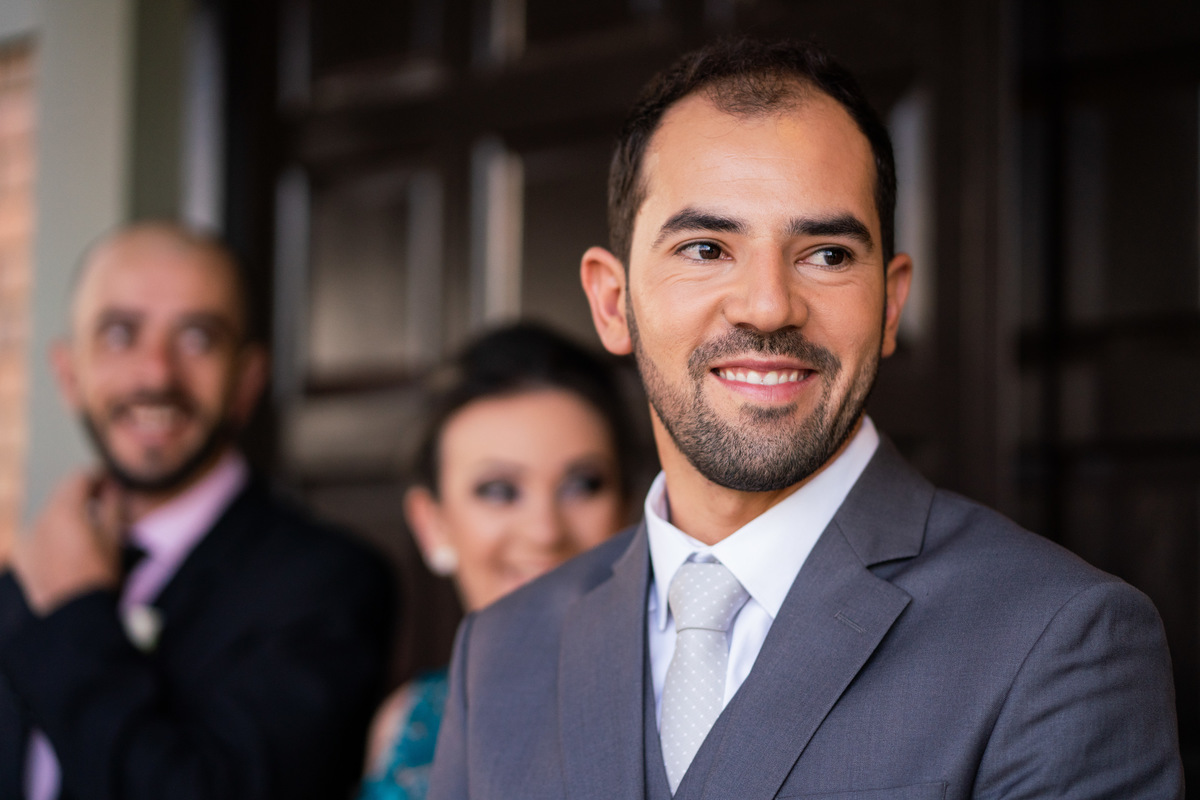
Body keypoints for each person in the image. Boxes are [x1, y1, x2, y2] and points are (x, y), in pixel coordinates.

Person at [427, 37, 1183, 800]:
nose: (767, 306)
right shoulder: (498, 651)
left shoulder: (1059, 637)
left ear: (889, 304)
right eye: (705, 247)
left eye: (825, 254)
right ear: (613, 302)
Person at [0, 222, 394, 800]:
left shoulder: (331, 584)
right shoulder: (32, 569)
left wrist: (76, 611)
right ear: (68, 374)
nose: (156, 373)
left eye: (197, 339)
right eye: (119, 334)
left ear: (247, 380)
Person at [357, 323, 636, 800]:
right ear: (433, 525)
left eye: (583, 485)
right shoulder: (406, 719)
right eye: (499, 491)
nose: (545, 532)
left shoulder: (677, 709)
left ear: (630, 508)